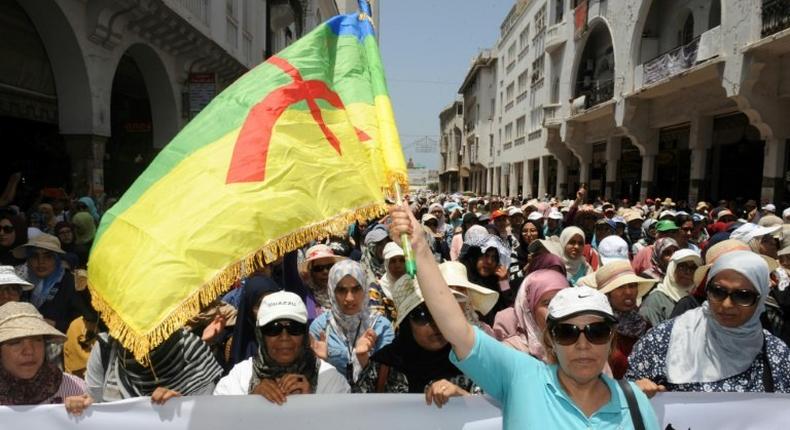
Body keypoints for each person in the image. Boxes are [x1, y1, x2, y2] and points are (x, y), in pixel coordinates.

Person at [387, 203, 660, 429]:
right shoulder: (522, 378)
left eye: (596, 332)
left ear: (612, 340)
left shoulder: (634, 402)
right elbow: (458, 329)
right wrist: (420, 248)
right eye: (567, 332)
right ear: (551, 339)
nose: (582, 344)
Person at [627, 251, 790, 394]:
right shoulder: (664, 340)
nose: (726, 304)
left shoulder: (776, 355)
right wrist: (636, 391)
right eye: (718, 292)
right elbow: (626, 399)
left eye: (743, 296)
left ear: (760, 299)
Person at [353, 276, 478, 407]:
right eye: (423, 315)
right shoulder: (383, 366)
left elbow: (493, 415)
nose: (436, 323)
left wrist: (464, 397)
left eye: (441, 314)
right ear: (407, 322)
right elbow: (357, 414)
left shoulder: (471, 363)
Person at [214, 291, 349, 401]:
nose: (284, 337)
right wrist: (250, 403)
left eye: (294, 328)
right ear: (260, 335)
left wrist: (312, 402)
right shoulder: (239, 378)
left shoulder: (330, 380)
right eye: (273, 328)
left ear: (305, 333)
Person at [309, 260, 394, 384]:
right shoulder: (321, 327)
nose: (349, 298)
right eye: (342, 290)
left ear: (365, 289)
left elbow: (388, 383)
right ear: (332, 291)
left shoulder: (380, 327)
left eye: (356, 289)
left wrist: (364, 358)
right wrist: (320, 363)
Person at [85, 327, 223, 403]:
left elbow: (206, 419)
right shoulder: (106, 347)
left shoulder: (192, 352)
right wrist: (79, 409)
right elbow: (93, 406)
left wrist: (179, 408)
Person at [0, 302, 89, 413]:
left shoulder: (76, 389)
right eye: (15, 342)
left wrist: (86, 412)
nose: (29, 351)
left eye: (37, 340)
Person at [13, 234, 90, 332]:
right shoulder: (22, 283)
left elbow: (88, 321)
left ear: (57, 260)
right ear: (28, 260)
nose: (41, 262)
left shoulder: (72, 283)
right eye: (34, 256)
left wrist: (56, 324)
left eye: (48, 256)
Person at [594, 261, 656, 379]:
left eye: (632, 286)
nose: (628, 292)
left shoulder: (644, 325)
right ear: (608, 294)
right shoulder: (597, 329)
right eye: (620, 287)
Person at [497, 270, 569, 360]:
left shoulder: (581, 341)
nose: (557, 308)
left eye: (562, 301)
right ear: (530, 308)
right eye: (547, 303)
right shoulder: (511, 352)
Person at [227, 275, 283, 369]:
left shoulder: (291, 335)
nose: (267, 309)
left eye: (272, 302)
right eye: (260, 304)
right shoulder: (242, 354)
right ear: (249, 308)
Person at [639, 249, 702, 326]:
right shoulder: (654, 301)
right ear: (672, 269)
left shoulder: (698, 299)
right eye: (682, 267)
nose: (687, 272)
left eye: (693, 268)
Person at [298, 244, 344, 321]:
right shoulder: (305, 295)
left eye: (329, 267)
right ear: (310, 272)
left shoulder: (347, 290)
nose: (325, 272)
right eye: (319, 268)